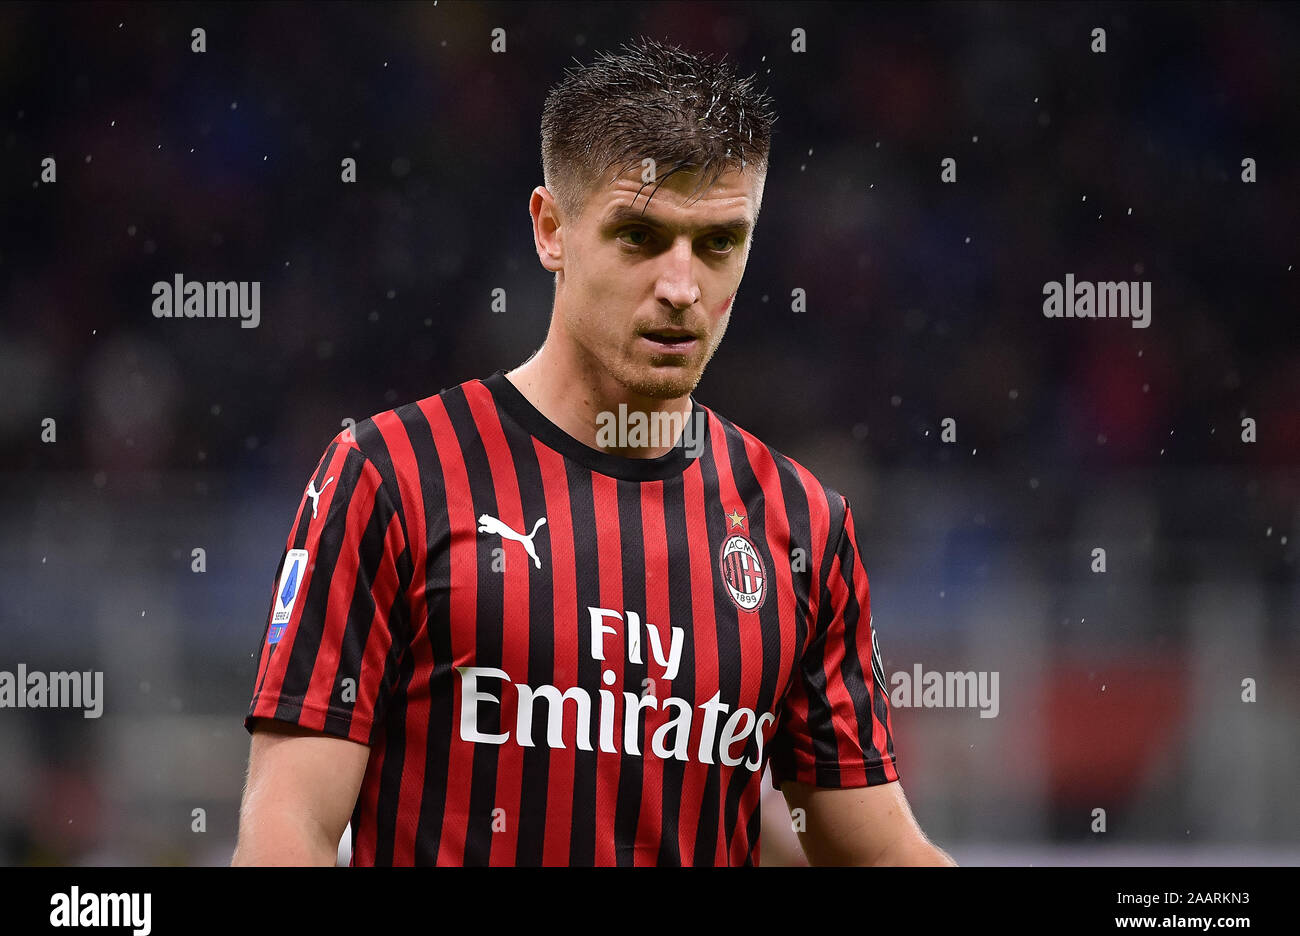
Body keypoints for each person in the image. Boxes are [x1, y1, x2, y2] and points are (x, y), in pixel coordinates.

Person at [233, 36, 954, 867]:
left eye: (719, 243)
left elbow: (874, 852)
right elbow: (288, 824)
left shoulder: (804, 528)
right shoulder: (391, 475)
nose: (681, 288)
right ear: (551, 230)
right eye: (640, 236)